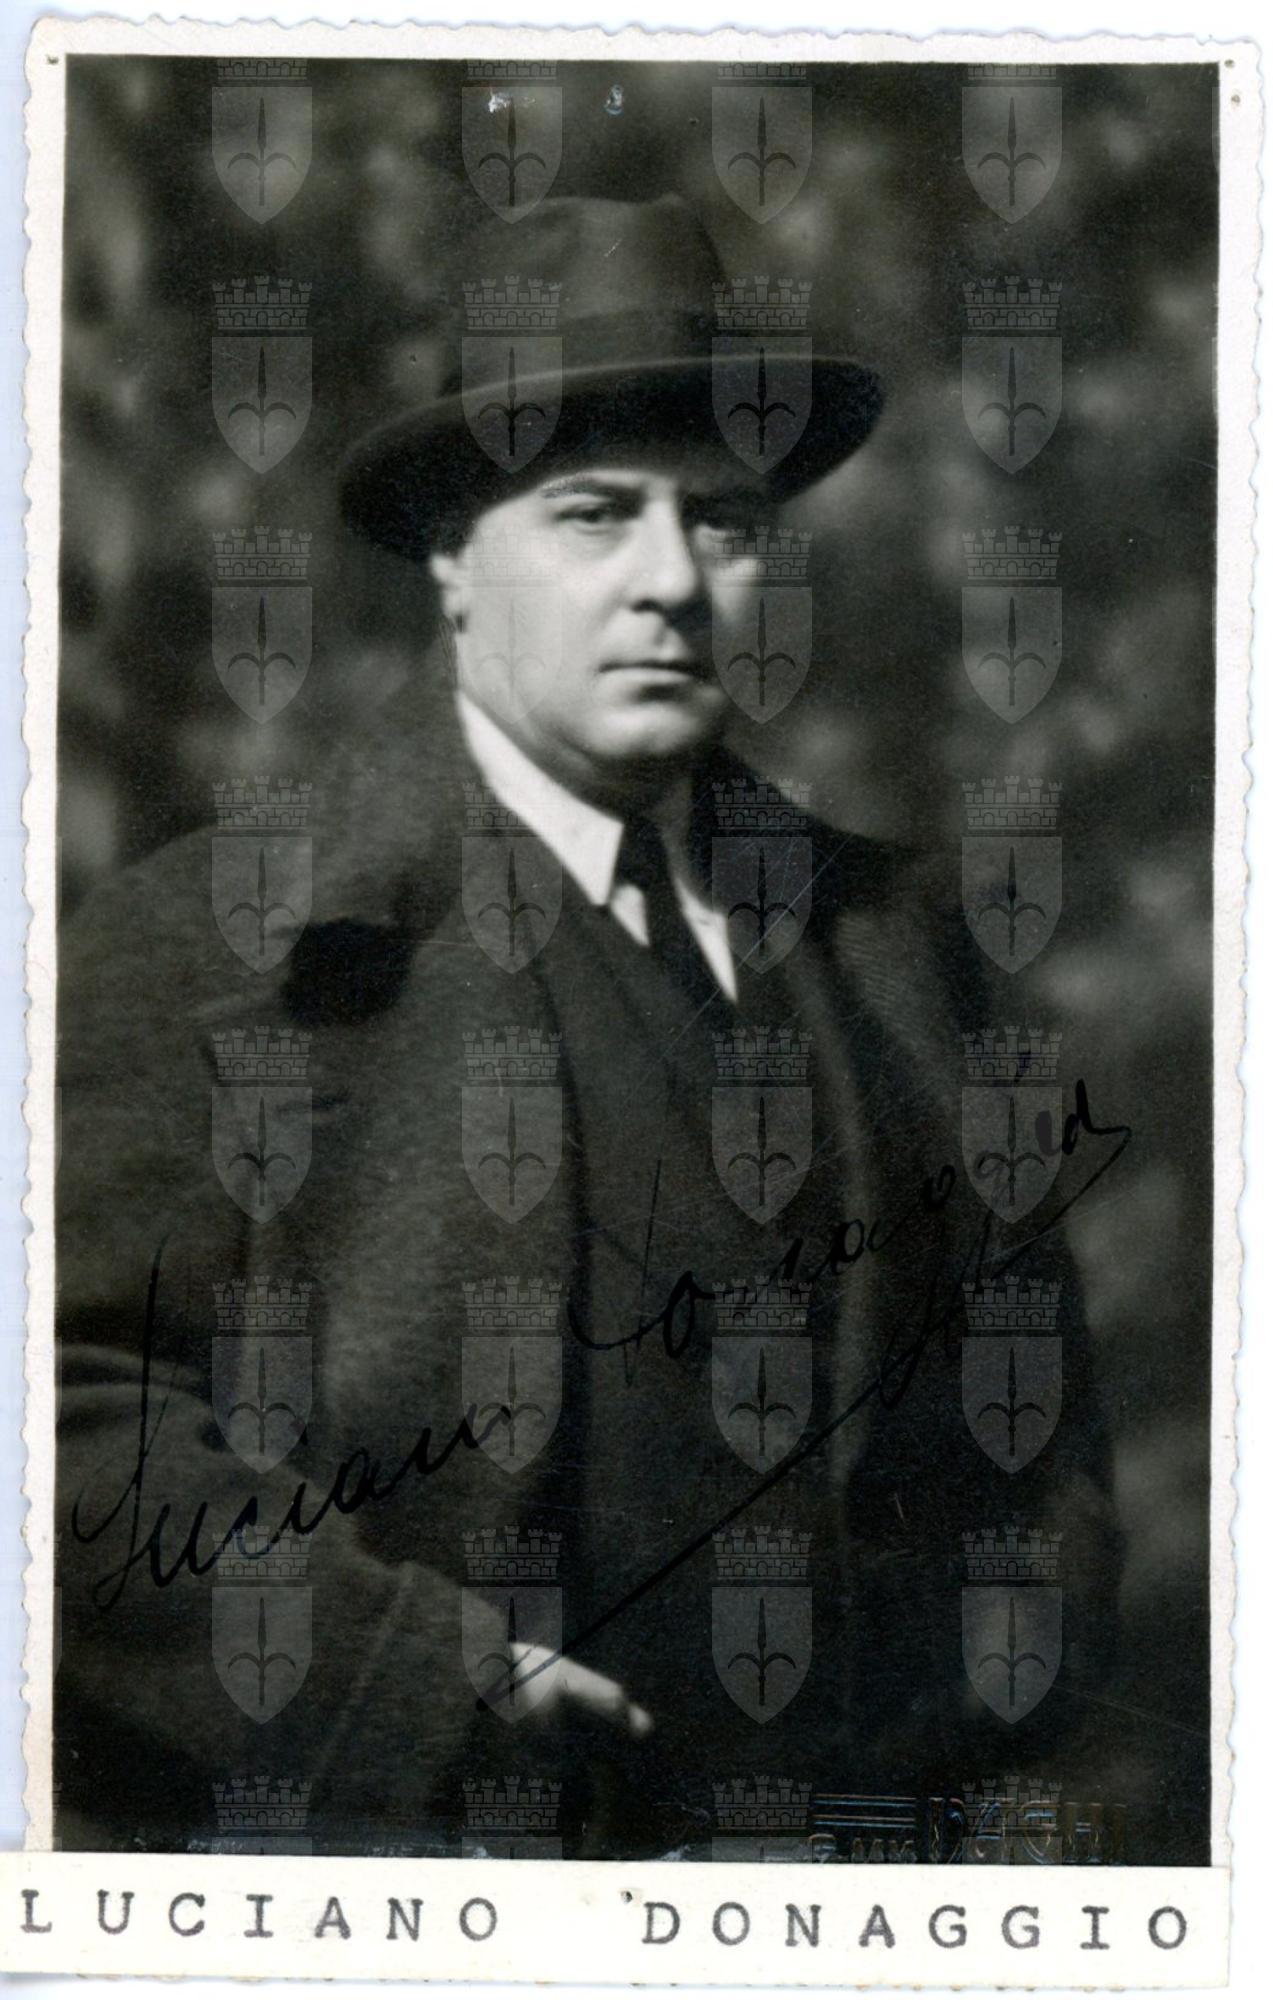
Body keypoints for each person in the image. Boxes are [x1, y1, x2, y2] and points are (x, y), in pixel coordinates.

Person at [55, 196, 1118, 1858]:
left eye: (724, 521)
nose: (671, 582)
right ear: (452, 561)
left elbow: (1033, 1446)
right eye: (593, 515)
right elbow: (51, 1417)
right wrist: (406, 1689)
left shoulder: (911, 953)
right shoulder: (223, 947)